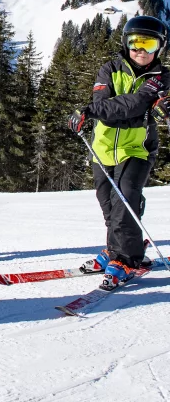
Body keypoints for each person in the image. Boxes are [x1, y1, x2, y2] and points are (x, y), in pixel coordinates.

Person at [68, 15, 170, 288]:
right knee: (109, 206)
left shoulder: (161, 78)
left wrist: (98, 111)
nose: (141, 51)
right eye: (136, 43)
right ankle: (118, 249)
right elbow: (106, 105)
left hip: (137, 148)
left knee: (125, 199)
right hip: (102, 149)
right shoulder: (109, 69)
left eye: (149, 44)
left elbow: (128, 106)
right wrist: (137, 109)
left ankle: (125, 259)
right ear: (126, 44)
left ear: (159, 47)